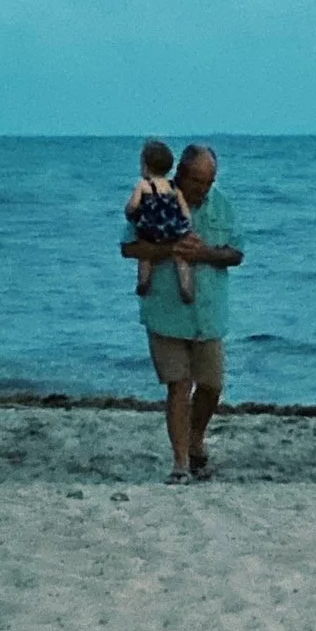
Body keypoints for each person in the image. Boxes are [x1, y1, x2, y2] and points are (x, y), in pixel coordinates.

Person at [121, 143, 244, 483]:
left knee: (211, 385)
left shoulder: (222, 204)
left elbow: (237, 253)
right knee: (179, 385)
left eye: (210, 181)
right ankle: (180, 463)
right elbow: (128, 247)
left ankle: (195, 439)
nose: (204, 189)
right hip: (165, 312)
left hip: (209, 314)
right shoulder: (157, 197)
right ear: (181, 175)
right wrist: (168, 249)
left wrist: (203, 253)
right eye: (198, 181)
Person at [124, 140, 195, 304]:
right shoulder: (172, 186)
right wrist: (186, 225)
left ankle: (143, 281)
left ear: (145, 166)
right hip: (172, 228)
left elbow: (133, 204)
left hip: (151, 228)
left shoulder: (144, 185)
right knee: (180, 258)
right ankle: (186, 287)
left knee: (145, 255)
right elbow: (184, 208)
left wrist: (128, 212)